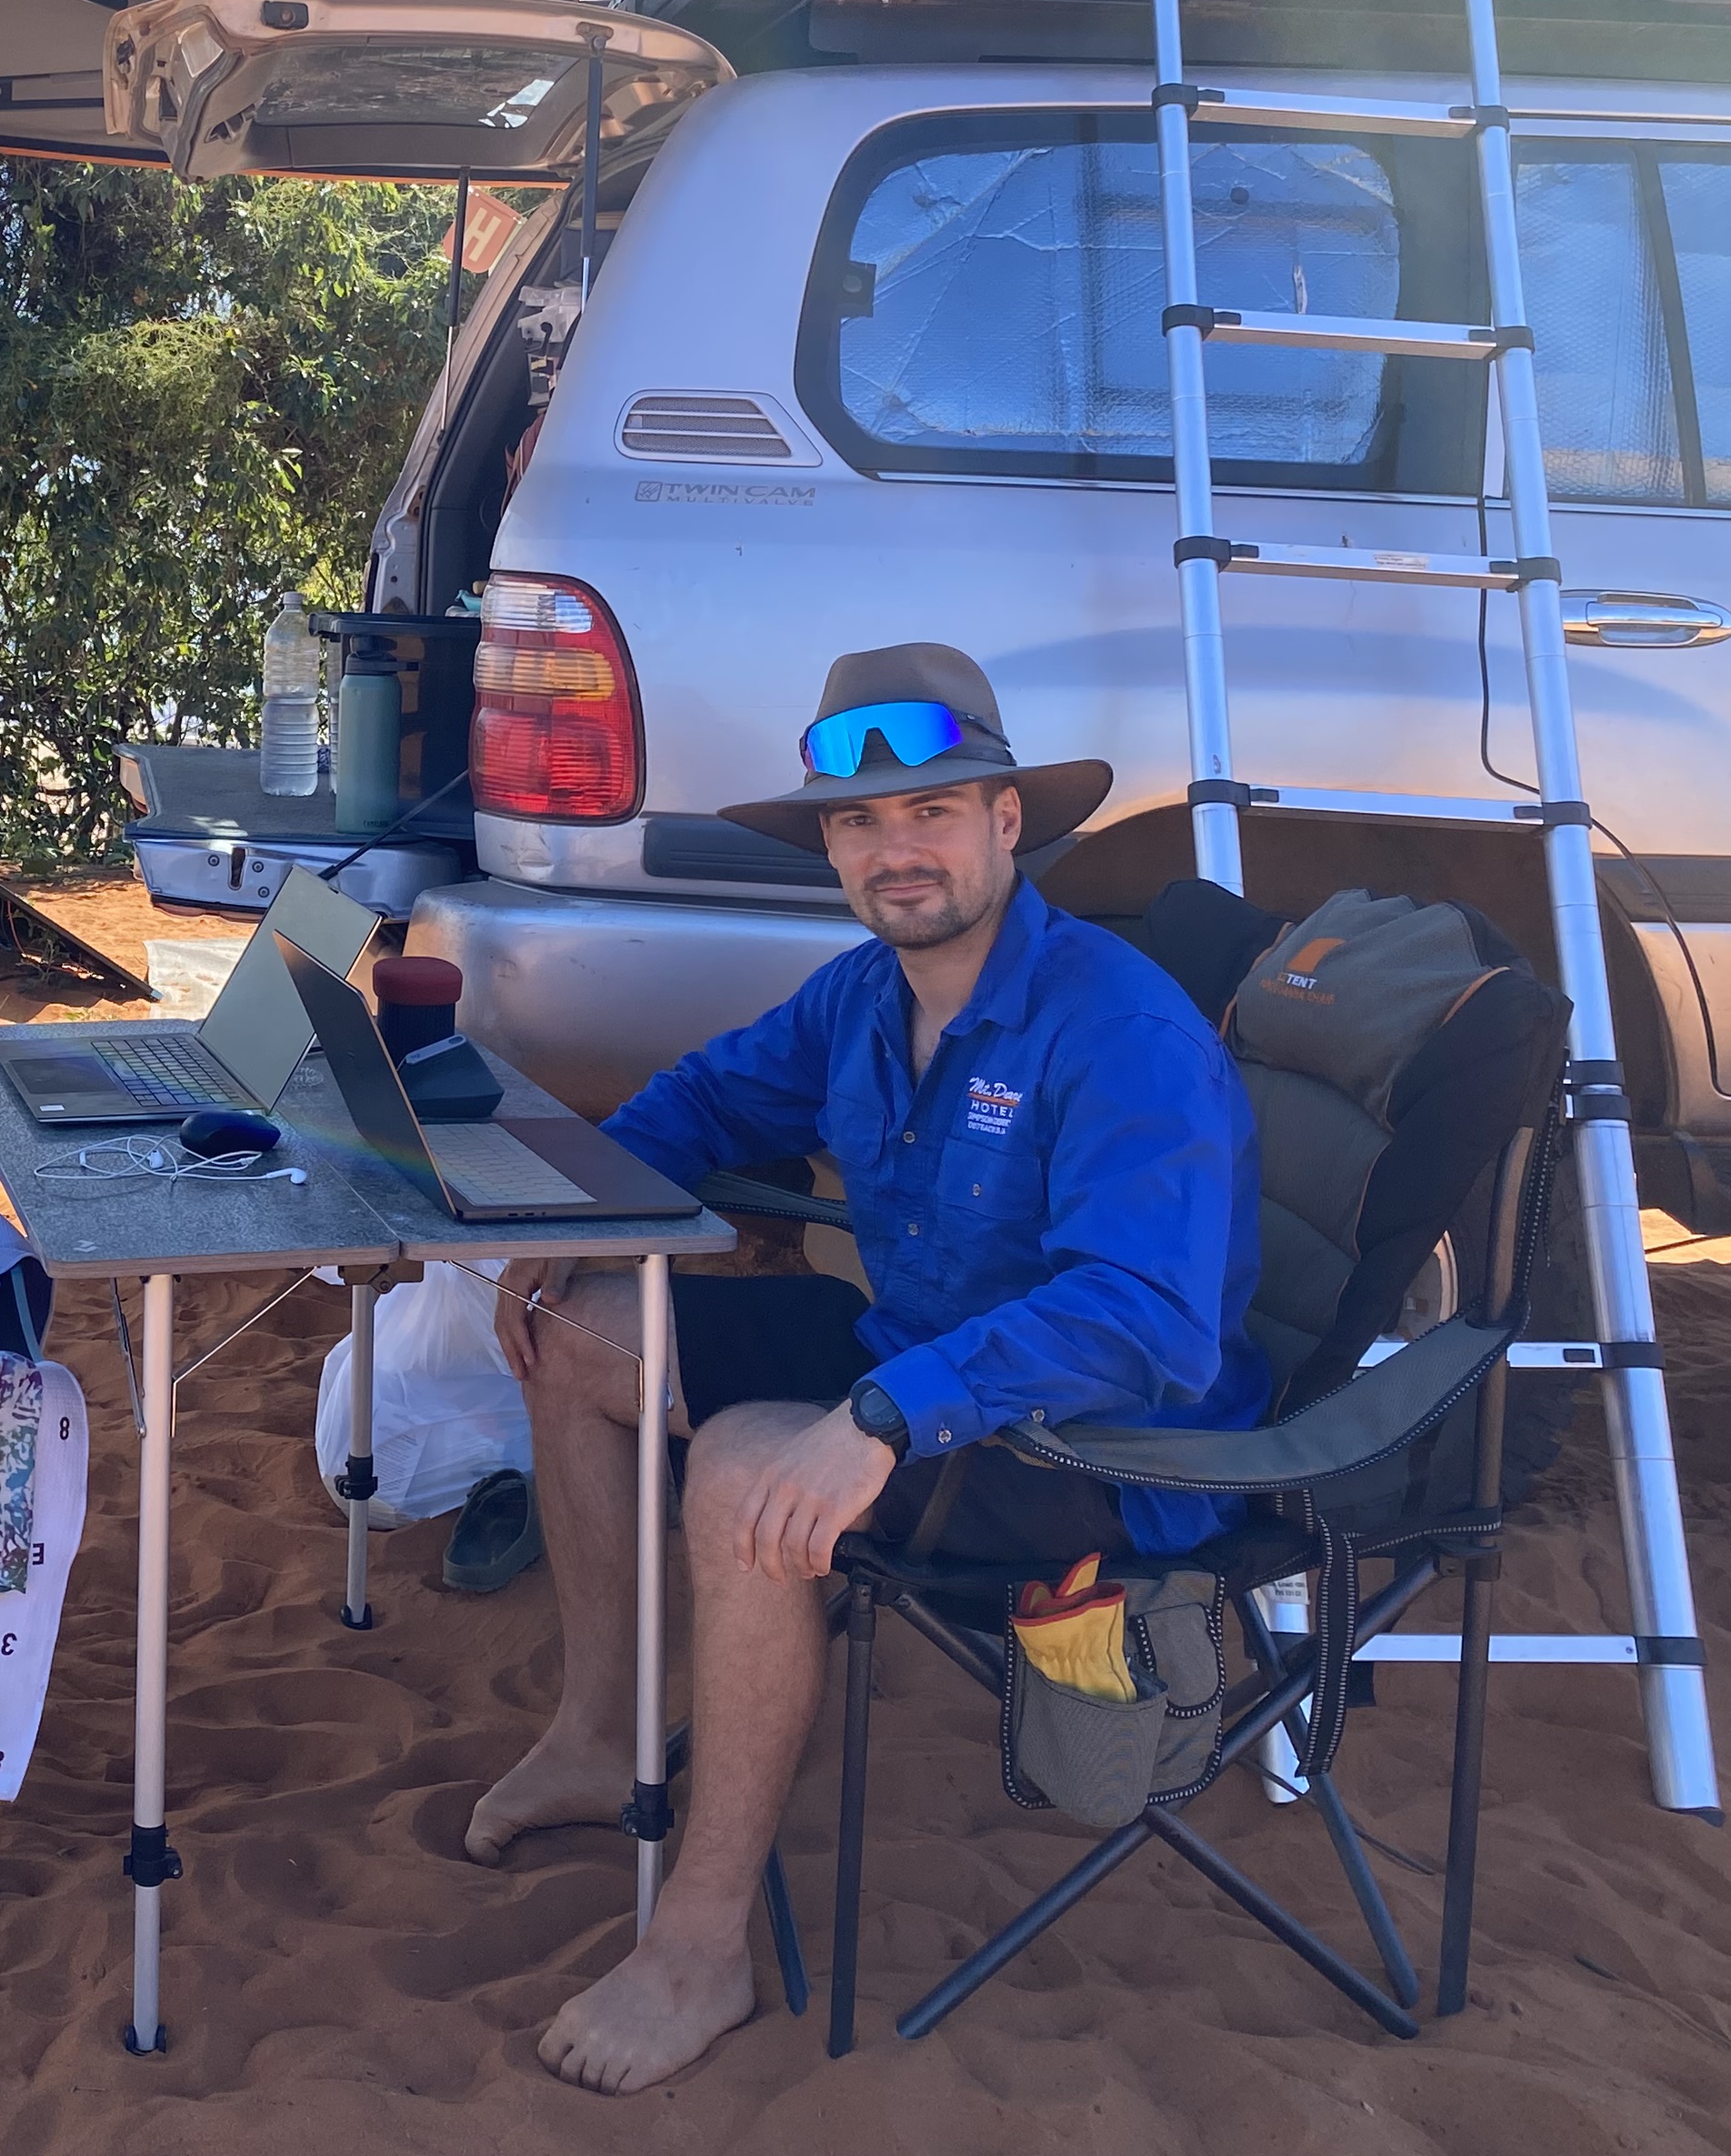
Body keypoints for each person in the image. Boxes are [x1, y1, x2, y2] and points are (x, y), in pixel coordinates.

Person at [472, 641, 1266, 2096]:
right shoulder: (861, 996)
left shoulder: (1118, 1024)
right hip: (913, 1362)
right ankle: (599, 1736)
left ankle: (703, 1944)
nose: (894, 849)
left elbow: (1146, 1315)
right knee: (570, 1325)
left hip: (1092, 1448)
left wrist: (885, 1418)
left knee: (747, 1476)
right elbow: (702, 1100)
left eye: (933, 811)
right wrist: (566, 1218)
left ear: (1007, 821)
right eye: (857, 822)